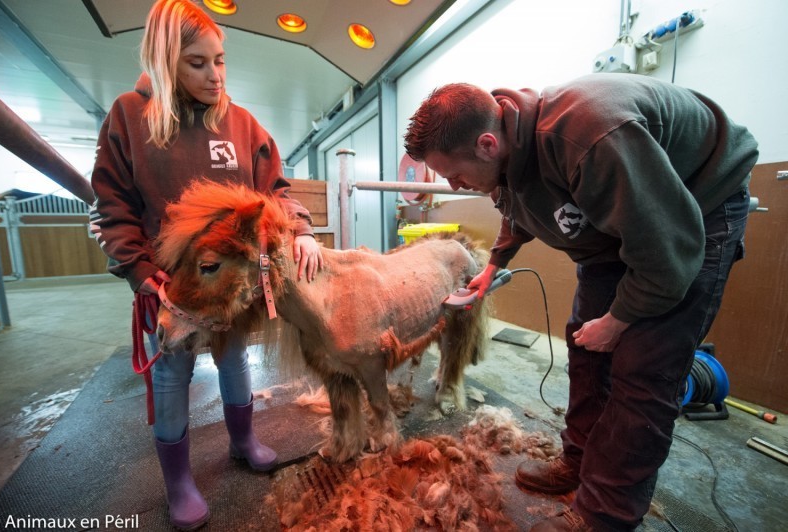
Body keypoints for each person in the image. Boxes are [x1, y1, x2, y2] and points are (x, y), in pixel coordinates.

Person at [404, 74, 757, 531]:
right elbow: (517, 201)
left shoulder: (590, 137)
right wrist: (494, 264)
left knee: (643, 371)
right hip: (626, 224)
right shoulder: (506, 149)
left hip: (693, 213)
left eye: (455, 174)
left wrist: (619, 319)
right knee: (585, 347)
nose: (454, 186)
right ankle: (580, 460)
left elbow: (666, 254)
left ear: (488, 144)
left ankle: (603, 517)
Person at [89, 1, 323, 529]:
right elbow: (114, 207)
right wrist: (140, 272)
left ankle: (243, 440)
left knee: (235, 356)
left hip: (231, 285)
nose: (215, 76)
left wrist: (304, 229)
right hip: (173, 285)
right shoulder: (130, 117)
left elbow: (276, 191)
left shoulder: (240, 123)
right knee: (172, 372)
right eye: (198, 63)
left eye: (220, 61)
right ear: (167, 59)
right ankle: (179, 482)